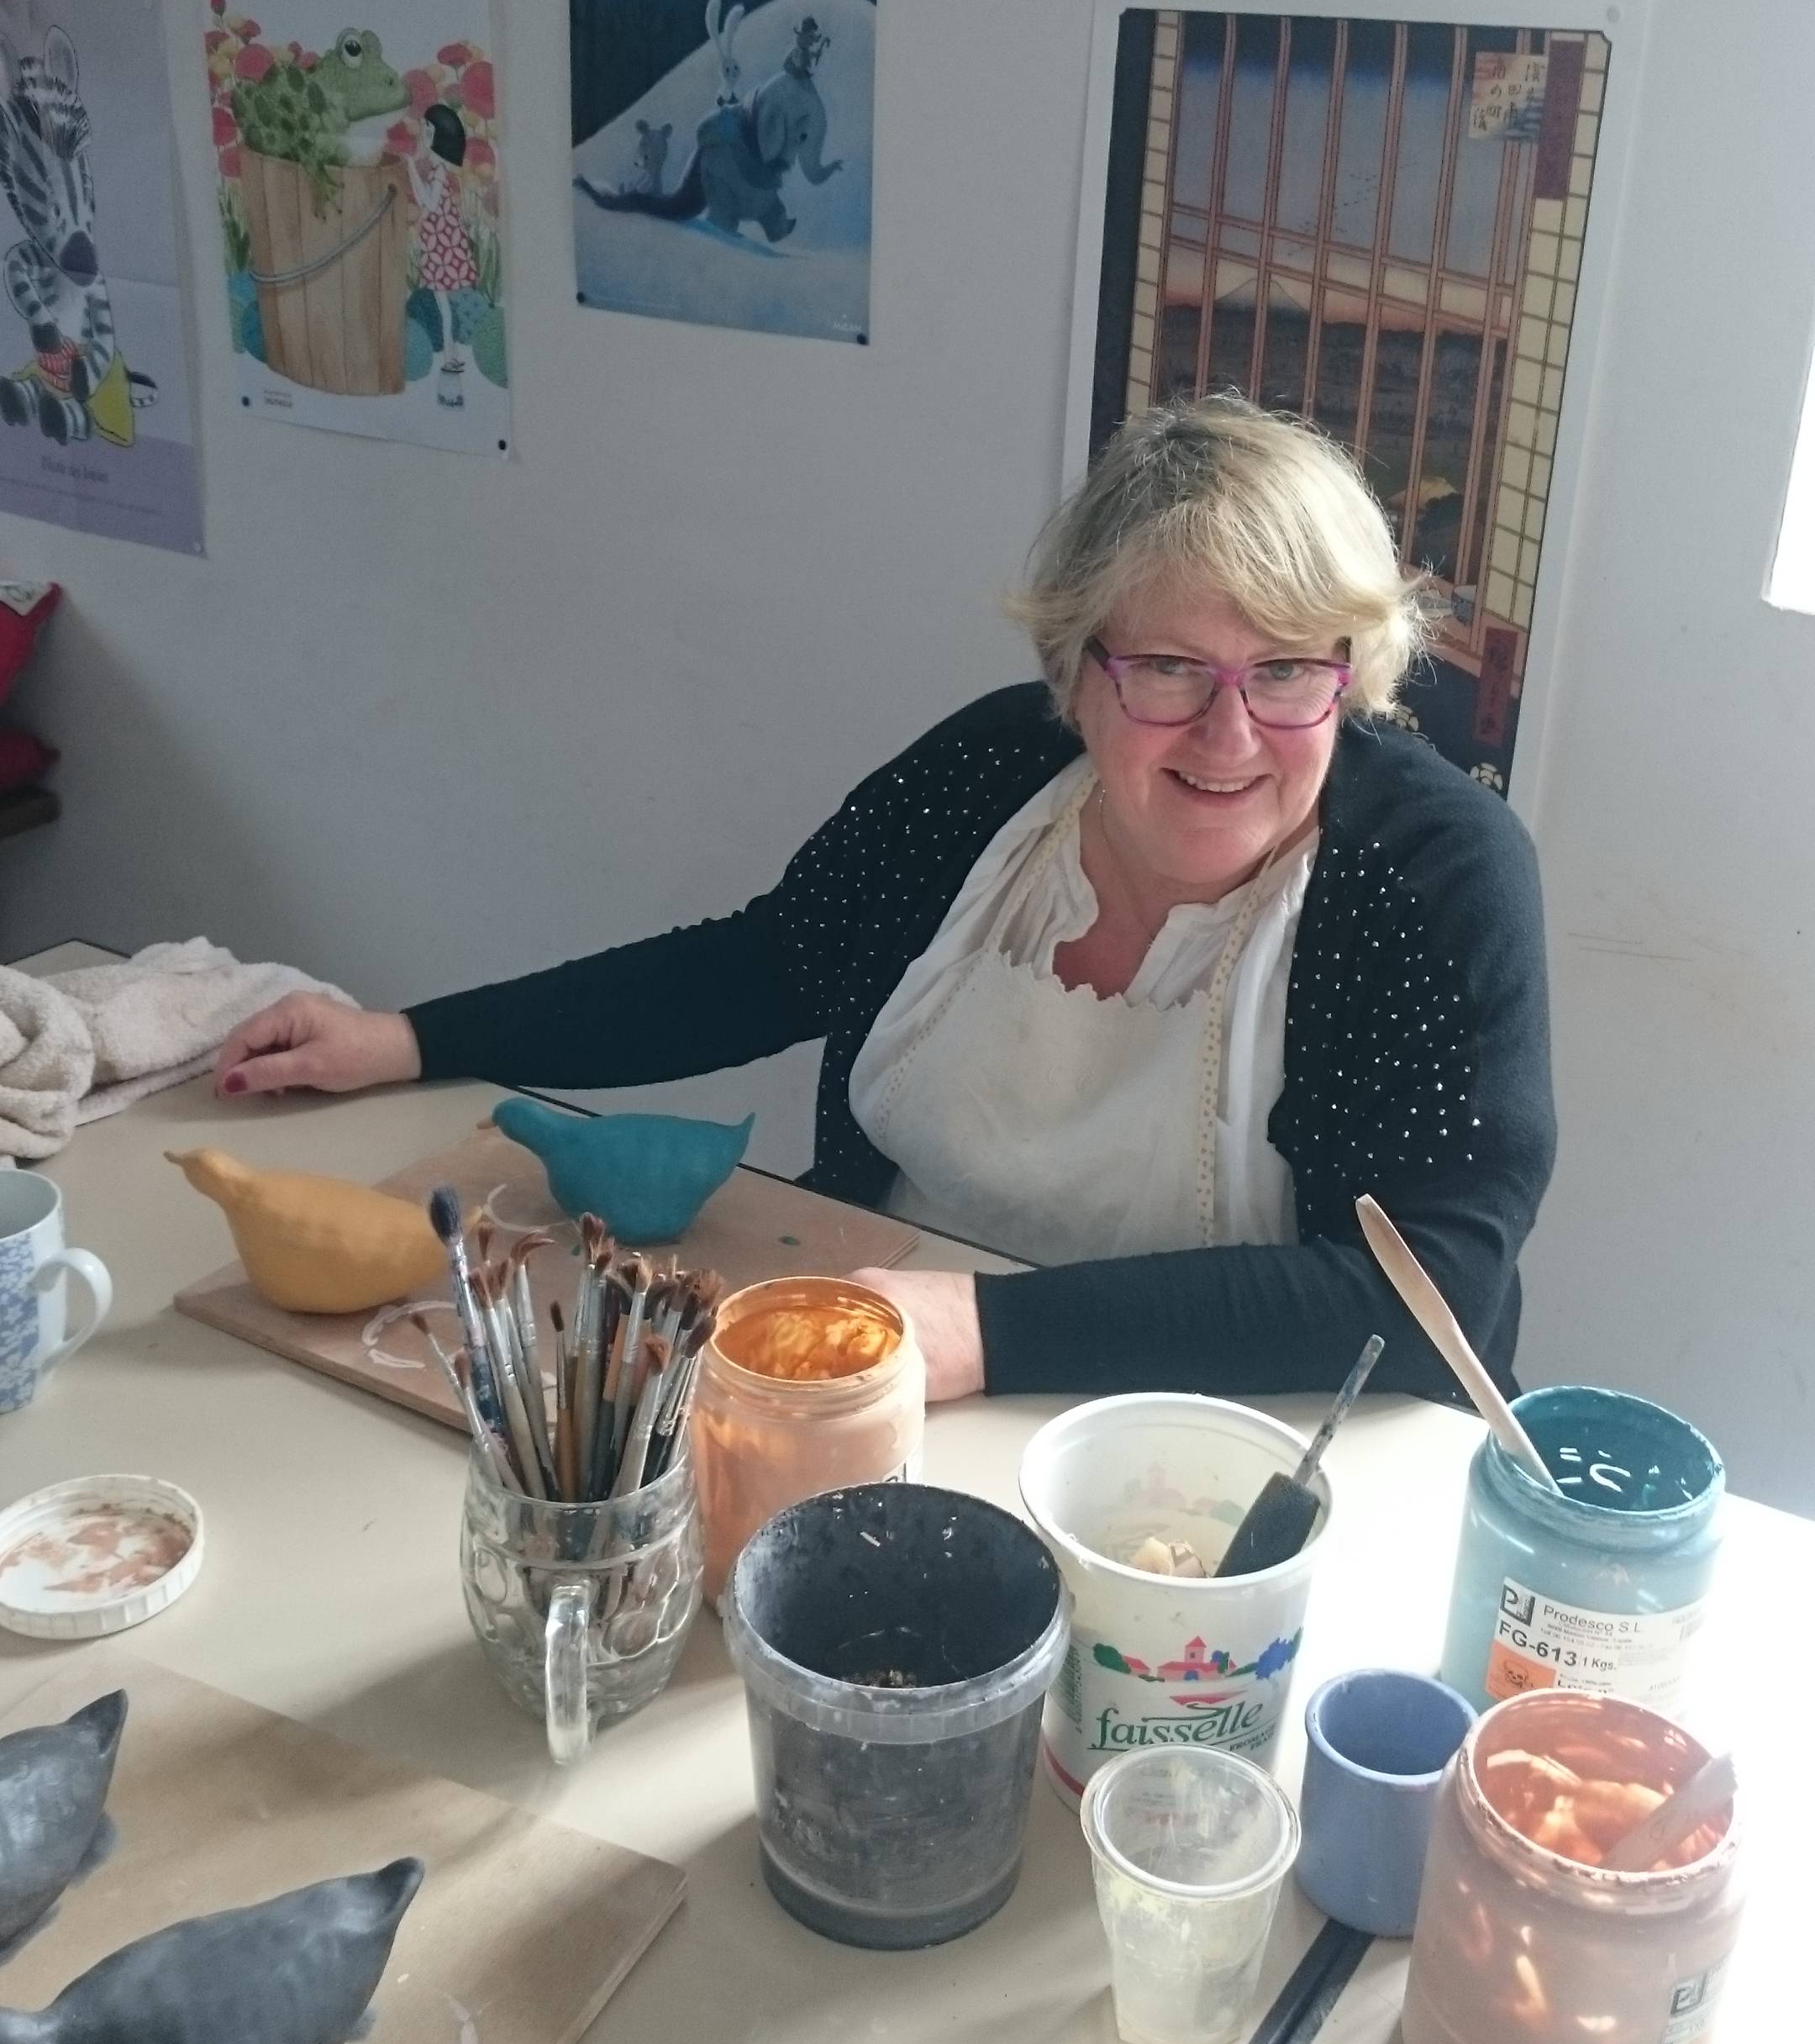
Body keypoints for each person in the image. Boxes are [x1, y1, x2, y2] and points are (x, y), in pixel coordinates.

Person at [213, 400, 1555, 1407]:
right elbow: (759, 967)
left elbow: (1422, 1299)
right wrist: (409, 1039)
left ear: (1353, 671)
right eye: (1168, 668)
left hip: (1232, 1443)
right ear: (1076, 670)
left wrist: (981, 1332)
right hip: (879, 1365)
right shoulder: (989, 776)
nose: (1231, 732)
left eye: (1287, 670)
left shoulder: (1435, 876)